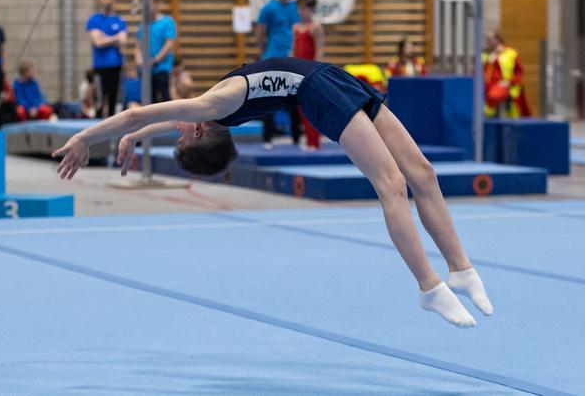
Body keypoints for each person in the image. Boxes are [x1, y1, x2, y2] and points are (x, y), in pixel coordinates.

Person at [53, 57, 494, 328]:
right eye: (180, 138)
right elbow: (142, 115)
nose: (178, 131)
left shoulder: (214, 109)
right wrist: (101, 137)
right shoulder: (212, 107)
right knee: (392, 183)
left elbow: (145, 118)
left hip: (331, 78)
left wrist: (117, 138)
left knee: (423, 171)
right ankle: (428, 286)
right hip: (317, 90)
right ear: (202, 131)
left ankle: (460, 268)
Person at [256, 0, 301, 148]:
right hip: (272, 58)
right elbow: (260, 35)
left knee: (294, 100)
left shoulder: (297, 8)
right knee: (269, 98)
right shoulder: (268, 9)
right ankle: (268, 137)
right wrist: (262, 57)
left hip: (292, 58)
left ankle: (297, 137)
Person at [86, 0, 128, 118]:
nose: (107, 1)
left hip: (116, 65)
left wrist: (105, 38)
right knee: (100, 98)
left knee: (114, 100)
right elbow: (97, 42)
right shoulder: (94, 20)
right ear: (101, 0)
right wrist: (115, 38)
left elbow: (123, 41)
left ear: (114, 1)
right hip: (101, 67)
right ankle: (97, 123)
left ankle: (112, 126)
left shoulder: (120, 21)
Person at [292, 0, 324, 151]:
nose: (300, 12)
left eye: (303, 9)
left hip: (310, 72)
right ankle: (308, 138)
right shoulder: (296, 27)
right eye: (298, 9)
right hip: (298, 71)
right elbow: (293, 51)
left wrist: (316, 73)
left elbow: (319, 52)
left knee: (311, 107)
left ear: (311, 9)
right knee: (301, 108)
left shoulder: (315, 27)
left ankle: (315, 141)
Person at [134, 0, 177, 104]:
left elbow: (169, 43)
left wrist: (155, 60)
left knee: (164, 98)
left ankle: (168, 120)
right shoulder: (142, 26)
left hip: (161, 68)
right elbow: (137, 47)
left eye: (149, 4)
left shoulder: (166, 22)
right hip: (146, 71)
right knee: (149, 101)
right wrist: (139, 62)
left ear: (155, 4)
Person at [482, 31, 530, 118]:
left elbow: (519, 74)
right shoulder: (485, 55)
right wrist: (491, 59)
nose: (487, 42)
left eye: (489, 39)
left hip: (505, 86)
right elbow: (484, 74)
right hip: (487, 86)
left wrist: (509, 82)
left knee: (494, 96)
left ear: (497, 40)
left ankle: (485, 114)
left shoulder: (511, 53)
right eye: (486, 40)